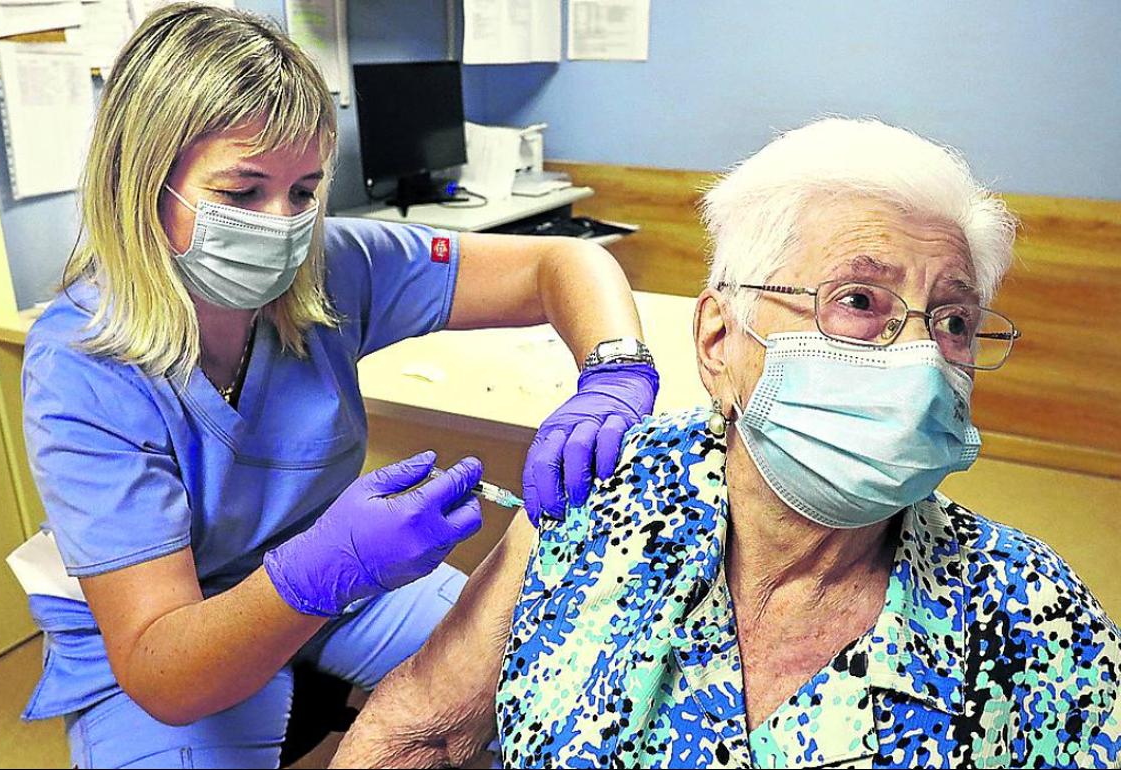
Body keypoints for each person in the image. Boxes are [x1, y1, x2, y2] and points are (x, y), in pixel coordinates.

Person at [331, 118, 1121, 769]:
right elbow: (421, 731)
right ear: (718, 340)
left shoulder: (1030, 618)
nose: (918, 358)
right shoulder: (604, 489)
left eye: (952, 320)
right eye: (858, 299)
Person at [15, 4, 659, 767]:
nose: (282, 224)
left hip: (338, 575)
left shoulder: (334, 263)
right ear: (144, 182)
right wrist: (321, 569)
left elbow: (563, 263)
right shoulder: (81, 367)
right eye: (242, 192)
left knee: (545, 684)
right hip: (174, 641)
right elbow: (166, 674)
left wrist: (615, 370)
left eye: (305, 190)